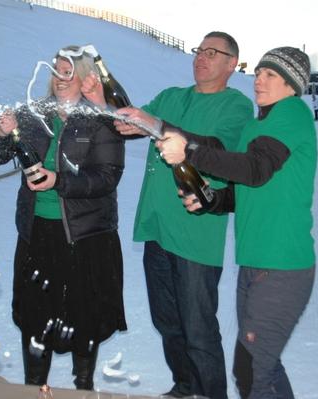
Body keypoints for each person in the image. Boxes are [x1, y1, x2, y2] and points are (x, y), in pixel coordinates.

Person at [157, 46, 316, 399]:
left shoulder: (292, 113)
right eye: (258, 72)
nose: (259, 79)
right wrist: (211, 200)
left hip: (283, 264)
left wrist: (190, 152)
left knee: (256, 367)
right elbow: (243, 188)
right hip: (256, 262)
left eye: (271, 74)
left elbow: (255, 170)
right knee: (257, 365)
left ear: (292, 85)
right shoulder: (257, 126)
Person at [0, 45, 127, 390]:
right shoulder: (34, 115)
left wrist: (60, 181)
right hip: (37, 234)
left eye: (68, 71)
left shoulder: (102, 118)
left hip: (86, 238)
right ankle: (33, 386)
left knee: (84, 315)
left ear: (86, 76)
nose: (59, 78)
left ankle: (83, 385)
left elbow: (107, 177)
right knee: (35, 315)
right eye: (56, 70)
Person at [113, 31, 253, 399]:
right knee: (167, 322)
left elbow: (216, 147)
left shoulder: (236, 106)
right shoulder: (172, 97)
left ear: (231, 64)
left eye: (212, 52)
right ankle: (185, 385)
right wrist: (122, 118)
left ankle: (210, 393)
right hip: (157, 226)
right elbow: (139, 123)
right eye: (198, 50)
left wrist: (156, 125)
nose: (201, 57)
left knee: (198, 328)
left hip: (195, 234)